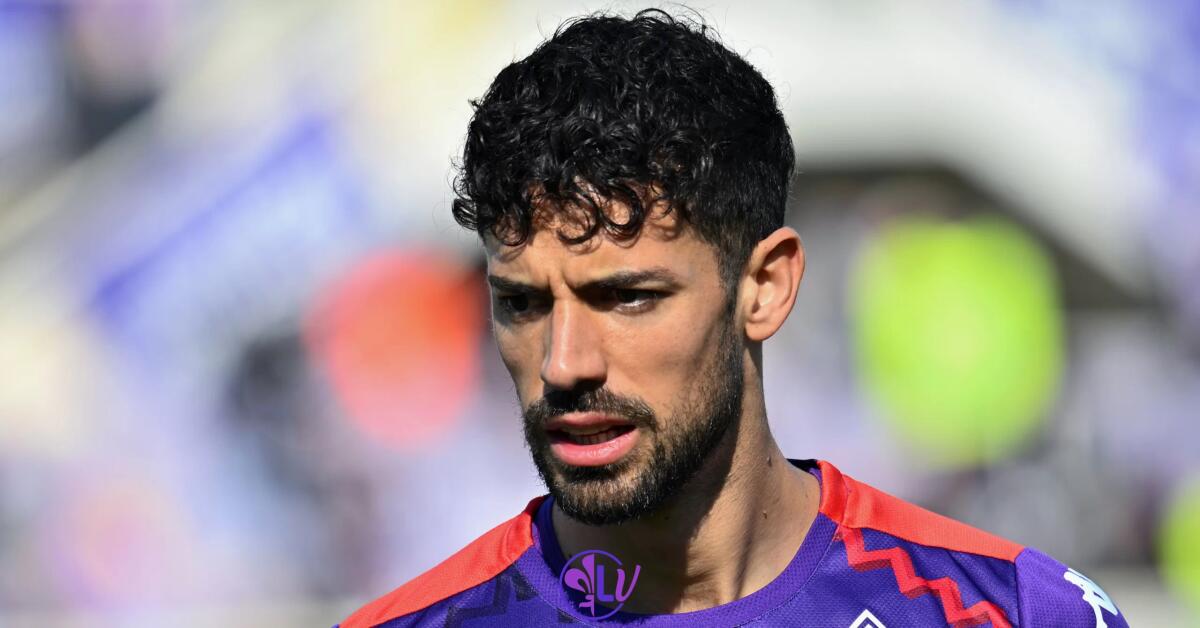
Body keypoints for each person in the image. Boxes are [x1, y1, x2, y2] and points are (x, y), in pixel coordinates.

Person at [338, 10, 1126, 628]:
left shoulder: (1010, 612)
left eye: (628, 297)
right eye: (523, 303)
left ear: (766, 288)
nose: (564, 364)